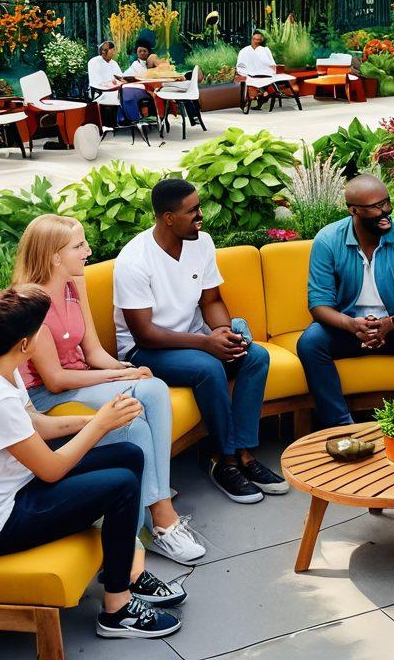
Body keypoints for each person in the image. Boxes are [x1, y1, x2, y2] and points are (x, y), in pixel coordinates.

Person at [0, 287, 184, 640]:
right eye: (40, 332)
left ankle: (125, 571)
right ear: (24, 344)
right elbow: (50, 468)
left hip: (14, 487)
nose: (44, 336)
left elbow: (36, 425)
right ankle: (117, 608)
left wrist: (101, 418)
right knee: (122, 486)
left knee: (129, 454)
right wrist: (98, 425)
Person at [13, 214, 204, 564]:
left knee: (154, 388)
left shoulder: (74, 284)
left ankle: (158, 505)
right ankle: (160, 521)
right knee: (133, 423)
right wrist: (113, 379)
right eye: (78, 245)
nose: (88, 250)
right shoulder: (29, 303)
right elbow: (54, 379)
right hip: (47, 397)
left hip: (80, 380)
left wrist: (124, 369)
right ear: (54, 256)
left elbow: (93, 352)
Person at [113, 178, 287, 504]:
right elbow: (144, 333)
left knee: (256, 357)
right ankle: (225, 460)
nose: (201, 216)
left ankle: (245, 453)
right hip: (147, 350)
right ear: (168, 218)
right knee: (207, 367)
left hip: (192, 338)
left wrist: (223, 333)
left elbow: (211, 301)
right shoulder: (134, 261)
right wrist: (206, 344)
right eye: (192, 211)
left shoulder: (201, 242)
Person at [299, 174, 394, 428]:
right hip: (348, 329)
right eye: (376, 207)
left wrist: (391, 323)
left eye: (387, 203)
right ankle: (341, 427)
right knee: (310, 342)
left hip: (393, 328)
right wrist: (351, 325)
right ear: (353, 210)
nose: (386, 211)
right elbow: (319, 304)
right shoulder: (328, 240)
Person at [236, 30, 298, 110]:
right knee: (254, 81)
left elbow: (272, 63)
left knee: (268, 81)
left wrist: (271, 69)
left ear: (261, 41)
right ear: (252, 39)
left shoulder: (265, 50)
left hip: (266, 74)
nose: (256, 41)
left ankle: (265, 95)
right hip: (251, 74)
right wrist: (246, 71)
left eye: (259, 40)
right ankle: (261, 94)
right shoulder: (244, 51)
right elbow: (240, 65)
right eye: (255, 39)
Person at [88, 41, 125, 106]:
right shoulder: (94, 62)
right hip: (100, 92)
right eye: (111, 50)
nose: (113, 53)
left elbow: (120, 78)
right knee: (111, 97)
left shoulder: (114, 63)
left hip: (114, 90)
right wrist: (111, 84)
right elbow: (96, 82)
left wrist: (118, 82)